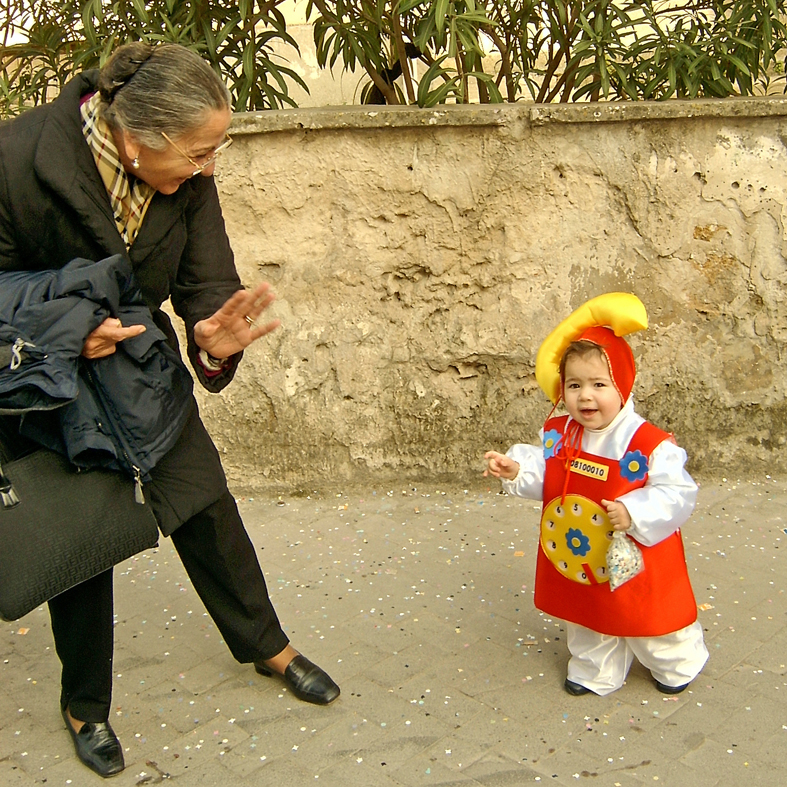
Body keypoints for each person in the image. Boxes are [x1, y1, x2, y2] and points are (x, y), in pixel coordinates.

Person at [0, 41, 339, 778]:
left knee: (204, 503)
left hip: (142, 373)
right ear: (132, 140)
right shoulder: (15, 157)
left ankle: (265, 645)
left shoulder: (184, 173)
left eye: (214, 150)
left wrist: (213, 338)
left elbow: (206, 282)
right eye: (197, 153)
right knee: (81, 549)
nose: (207, 167)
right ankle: (85, 704)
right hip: (54, 390)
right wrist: (65, 330)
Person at [484, 293, 708, 697]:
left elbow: (678, 492)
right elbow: (550, 475)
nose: (585, 396)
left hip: (636, 556)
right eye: (574, 385)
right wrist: (518, 470)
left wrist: (634, 509)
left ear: (621, 385)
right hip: (582, 552)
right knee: (586, 614)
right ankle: (594, 668)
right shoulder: (563, 433)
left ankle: (676, 663)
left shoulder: (648, 443)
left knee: (647, 614)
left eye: (599, 384)